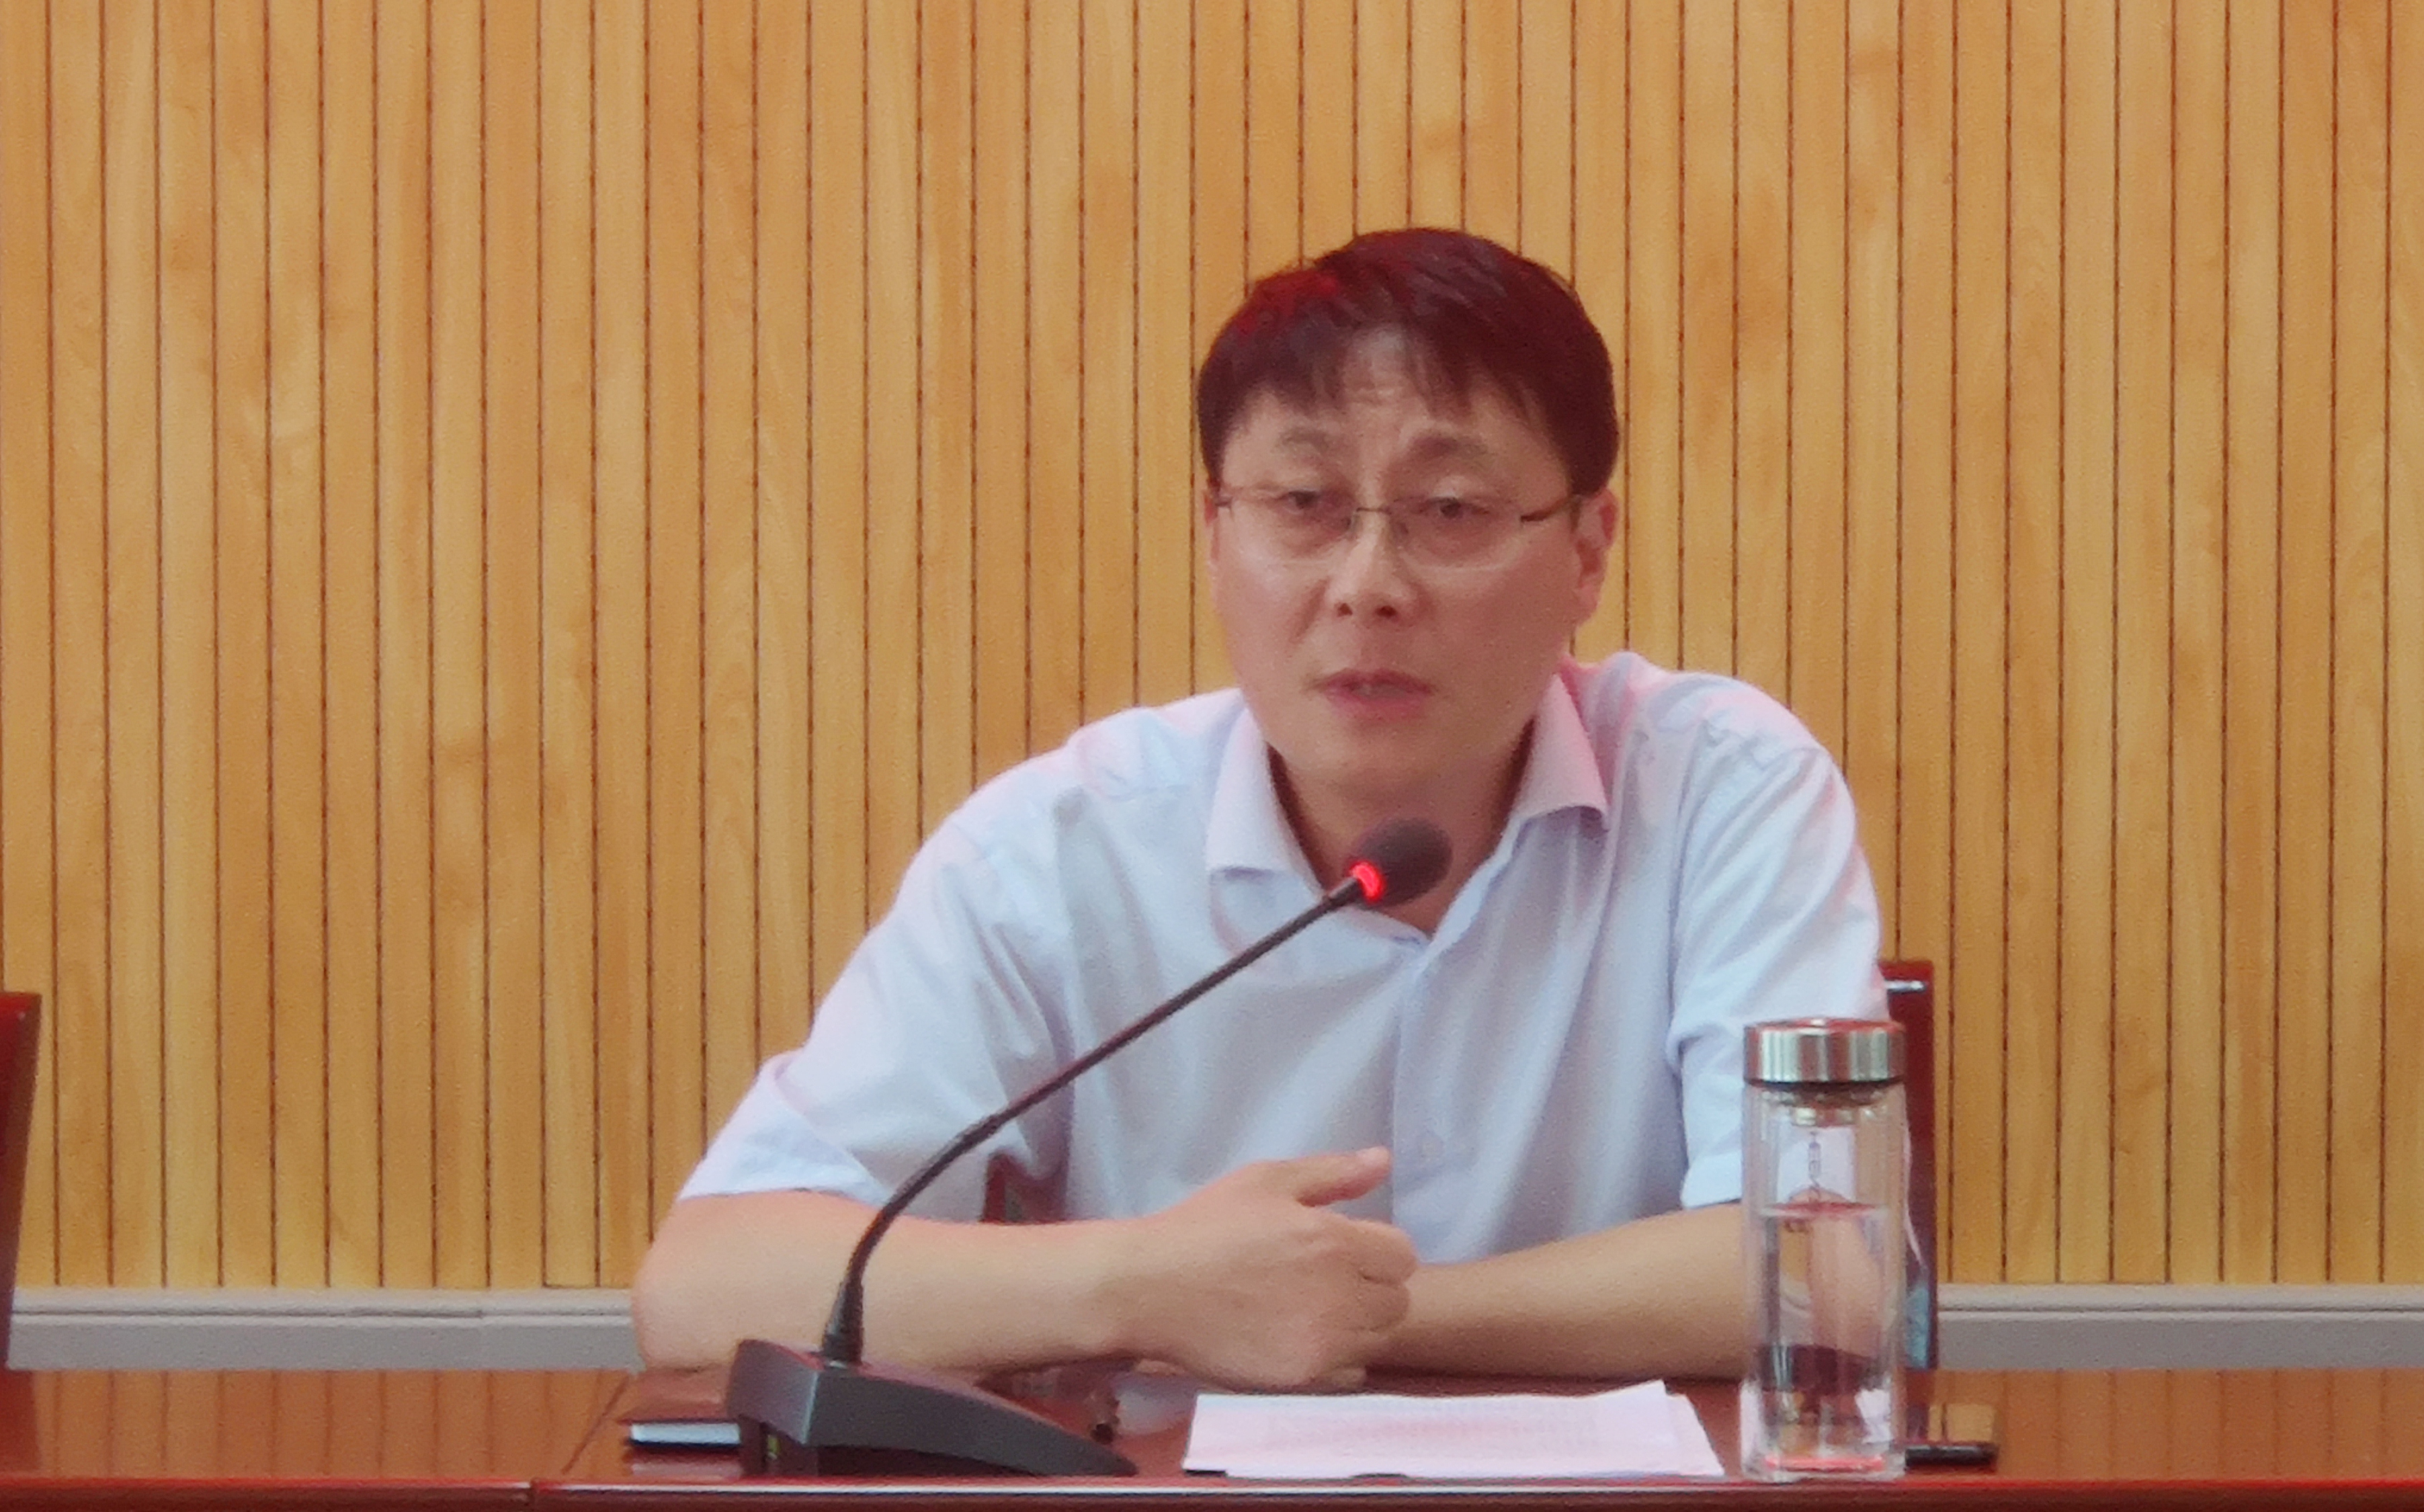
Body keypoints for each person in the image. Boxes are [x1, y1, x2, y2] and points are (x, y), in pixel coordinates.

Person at [632, 226, 1886, 1389]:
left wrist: (1343, 1310)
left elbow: (1827, 1269)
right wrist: (1146, 1285)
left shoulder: (1719, 786)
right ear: (1214, 533)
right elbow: (704, 1283)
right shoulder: (1066, 845)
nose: (1366, 584)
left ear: (1588, 550)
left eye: (1450, 511)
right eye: (1303, 505)